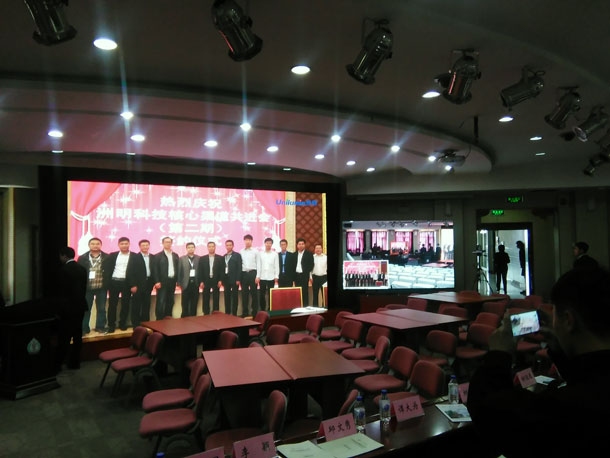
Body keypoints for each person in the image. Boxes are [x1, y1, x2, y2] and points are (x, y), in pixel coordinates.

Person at [467, 267, 610, 457]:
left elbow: (489, 414)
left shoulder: (561, 410)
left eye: (555, 314)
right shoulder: (594, 385)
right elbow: (590, 376)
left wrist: (499, 354)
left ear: (568, 320)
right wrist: (560, 351)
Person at [55, 246, 88, 372]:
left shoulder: (63, 270)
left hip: (67, 308)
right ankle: (75, 363)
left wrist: (59, 310)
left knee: (64, 336)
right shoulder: (82, 269)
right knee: (77, 335)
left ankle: (58, 364)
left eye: (60, 256)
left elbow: (62, 293)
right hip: (80, 306)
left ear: (64, 256)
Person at [103, 237, 146, 332]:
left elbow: (140, 272)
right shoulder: (112, 255)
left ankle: (122, 323)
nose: (124, 245)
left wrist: (134, 285)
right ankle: (111, 325)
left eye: (126, 243)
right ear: (118, 245)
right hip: (114, 282)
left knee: (125, 304)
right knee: (112, 305)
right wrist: (107, 282)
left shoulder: (136, 256)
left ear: (129, 244)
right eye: (122, 244)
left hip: (127, 283)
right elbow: (106, 269)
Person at [76, 237, 108, 334]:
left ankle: (100, 327)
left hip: (101, 288)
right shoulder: (82, 258)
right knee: (86, 309)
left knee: (101, 309)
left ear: (101, 245)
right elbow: (78, 273)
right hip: (87, 288)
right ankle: (84, 328)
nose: (95, 245)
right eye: (93, 244)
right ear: (89, 245)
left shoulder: (107, 257)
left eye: (97, 244)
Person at [152, 236, 180, 319]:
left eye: (169, 242)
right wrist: (157, 281)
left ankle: (168, 317)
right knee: (161, 301)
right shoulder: (158, 256)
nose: (168, 243)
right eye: (166, 242)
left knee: (170, 300)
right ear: (163, 243)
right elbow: (155, 270)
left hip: (172, 281)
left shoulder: (175, 255)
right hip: (162, 282)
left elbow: (178, 268)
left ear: (171, 243)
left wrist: (178, 281)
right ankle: (159, 319)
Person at [133, 239, 155, 325]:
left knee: (146, 304)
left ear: (149, 246)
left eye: (147, 245)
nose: (145, 247)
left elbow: (155, 270)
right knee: (136, 305)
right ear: (140, 246)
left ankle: (145, 323)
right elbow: (131, 272)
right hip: (137, 285)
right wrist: (133, 284)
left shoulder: (153, 257)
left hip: (148, 283)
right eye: (143, 245)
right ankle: (136, 324)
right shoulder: (134, 257)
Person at [199, 241, 223, 315]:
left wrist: (220, 280)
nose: (211, 248)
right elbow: (200, 271)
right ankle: (206, 313)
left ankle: (215, 312)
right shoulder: (202, 258)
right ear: (207, 248)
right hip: (206, 280)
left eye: (213, 246)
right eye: (210, 246)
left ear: (215, 247)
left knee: (216, 297)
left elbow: (222, 270)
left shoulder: (220, 258)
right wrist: (201, 281)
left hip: (216, 280)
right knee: (206, 297)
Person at [178, 242, 201, 317]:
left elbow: (201, 271)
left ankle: (193, 318)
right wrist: (179, 283)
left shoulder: (199, 258)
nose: (191, 249)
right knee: (184, 303)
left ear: (194, 248)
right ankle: (184, 318)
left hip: (195, 283)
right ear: (186, 249)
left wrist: (200, 282)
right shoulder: (182, 259)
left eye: (192, 247)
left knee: (194, 302)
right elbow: (179, 271)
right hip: (185, 284)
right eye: (189, 247)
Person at [240, 234, 259, 317]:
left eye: (249, 240)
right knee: (244, 294)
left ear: (251, 241)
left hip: (253, 273)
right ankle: (245, 312)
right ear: (244, 241)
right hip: (244, 274)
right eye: (246, 240)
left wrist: (258, 276)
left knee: (254, 293)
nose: (247, 242)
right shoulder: (241, 251)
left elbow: (258, 264)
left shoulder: (255, 251)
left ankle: (254, 312)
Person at [258, 237, 279, 311]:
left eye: (270, 243)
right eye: (267, 243)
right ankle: (262, 309)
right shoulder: (260, 254)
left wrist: (276, 276)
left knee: (271, 294)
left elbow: (276, 266)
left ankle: (271, 309)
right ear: (264, 244)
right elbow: (259, 266)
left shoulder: (275, 254)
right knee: (262, 294)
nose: (268, 244)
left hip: (271, 277)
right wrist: (258, 276)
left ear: (272, 244)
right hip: (262, 277)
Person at [222, 240, 242, 315]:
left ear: (233, 246)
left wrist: (238, 279)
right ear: (225, 246)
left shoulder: (237, 255)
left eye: (230, 245)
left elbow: (239, 268)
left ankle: (234, 313)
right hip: (226, 279)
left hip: (234, 279)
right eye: (227, 245)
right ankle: (227, 313)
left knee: (234, 297)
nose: (228, 246)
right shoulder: (224, 256)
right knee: (227, 297)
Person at [294, 238, 314, 305]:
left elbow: (311, 265)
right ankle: (298, 306)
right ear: (297, 245)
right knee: (297, 292)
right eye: (299, 244)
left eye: (302, 244)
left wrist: (305, 271)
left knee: (305, 292)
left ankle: (305, 306)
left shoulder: (309, 254)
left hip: (304, 276)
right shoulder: (294, 254)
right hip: (296, 276)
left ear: (305, 245)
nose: (301, 245)